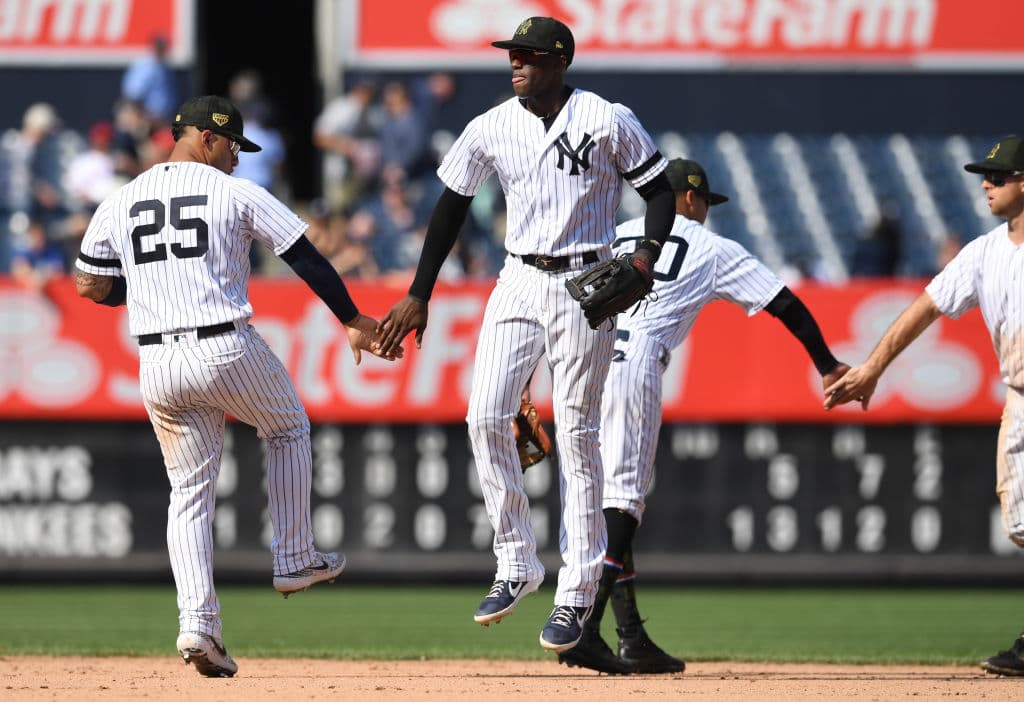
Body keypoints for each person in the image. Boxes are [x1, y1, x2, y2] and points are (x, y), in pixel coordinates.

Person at [374, 16, 678, 653]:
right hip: (517, 276)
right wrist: (419, 293)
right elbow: (450, 206)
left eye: (530, 56)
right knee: (485, 415)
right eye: (512, 54)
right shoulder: (490, 125)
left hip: (587, 276)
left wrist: (646, 253)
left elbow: (658, 192)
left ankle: (576, 590)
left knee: (577, 430)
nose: (517, 64)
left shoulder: (606, 117)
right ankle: (516, 560)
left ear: (560, 60)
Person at [73, 95, 400, 678]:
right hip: (224, 344)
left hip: (157, 362)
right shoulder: (234, 192)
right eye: (231, 147)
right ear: (205, 137)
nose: (235, 159)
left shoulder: (119, 199)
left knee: (190, 492)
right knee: (289, 426)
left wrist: (143, 293)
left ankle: (197, 625)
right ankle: (295, 555)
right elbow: (305, 255)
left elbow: (89, 285)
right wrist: (352, 318)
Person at [555, 159, 850, 675]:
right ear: (689, 199)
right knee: (623, 501)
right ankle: (586, 628)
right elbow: (785, 304)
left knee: (598, 499)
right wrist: (826, 364)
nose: (706, 212)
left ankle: (630, 637)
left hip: (583, 359)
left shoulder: (618, 233)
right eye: (705, 203)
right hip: (634, 361)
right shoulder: (713, 250)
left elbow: (563, 306)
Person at [824, 135, 1024, 678]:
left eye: (999, 175)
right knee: (1022, 523)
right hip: (1021, 397)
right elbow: (925, 308)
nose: (986, 182)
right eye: (986, 174)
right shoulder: (984, 253)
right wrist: (870, 369)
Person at [121, 35, 179, 124]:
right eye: (159, 46)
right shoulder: (146, 66)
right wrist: (145, 116)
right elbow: (134, 95)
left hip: (162, 119)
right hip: (147, 120)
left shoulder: (163, 66)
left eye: (163, 46)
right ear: (153, 47)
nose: (162, 49)